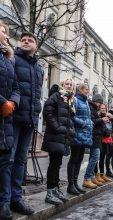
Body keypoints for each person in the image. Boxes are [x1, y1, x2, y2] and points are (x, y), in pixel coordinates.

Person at [11, 32, 43, 215]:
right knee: (8, 159)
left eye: (30, 40)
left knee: (20, 160)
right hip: (13, 118)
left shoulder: (39, 68)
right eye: (23, 39)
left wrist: (35, 114)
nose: (26, 41)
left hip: (29, 120)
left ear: (36, 46)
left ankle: (16, 198)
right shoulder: (12, 59)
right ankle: (6, 198)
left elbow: (36, 94)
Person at [42, 79, 75, 205]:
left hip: (63, 138)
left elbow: (70, 119)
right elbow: (47, 111)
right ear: (62, 85)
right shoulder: (57, 96)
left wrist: (71, 131)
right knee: (54, 164)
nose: (69, 86)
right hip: (55, 136)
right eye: (67, 84)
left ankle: (55, 189)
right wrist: (57, 128)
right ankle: (50, 192)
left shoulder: (69, 100)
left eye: (71, 85)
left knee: (58, 163)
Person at [0, 21, 20, 220]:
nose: (6, 35)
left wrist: (12, 103)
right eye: (3, 31)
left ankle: (4, 203)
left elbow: (15, 86)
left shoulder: (8, 60)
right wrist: (2, 102)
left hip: (6, 119)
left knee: (6, 162)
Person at [67, 83, 93, 195]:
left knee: (79, 159)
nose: (88, 91)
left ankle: (75, 183)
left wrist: (90, 123)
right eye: (86, 89)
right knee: (74, 158)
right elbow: (72, 116)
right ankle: (70, 185)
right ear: (80, 89)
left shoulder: (86, 101)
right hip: (77, 134)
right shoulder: (76, 100)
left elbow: (88, 117)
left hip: (85, 134)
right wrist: (82, 123)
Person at [83, 94, 109, 189]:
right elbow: (92, 121)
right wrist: (101, 120)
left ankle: (92, 177)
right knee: (95, 157)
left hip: (97, 137)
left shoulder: (94, 109)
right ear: (96, 101)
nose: (100, 105)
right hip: (94, 137)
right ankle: (87, 178)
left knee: (93, 158)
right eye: (100, 103)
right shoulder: (91, 108)